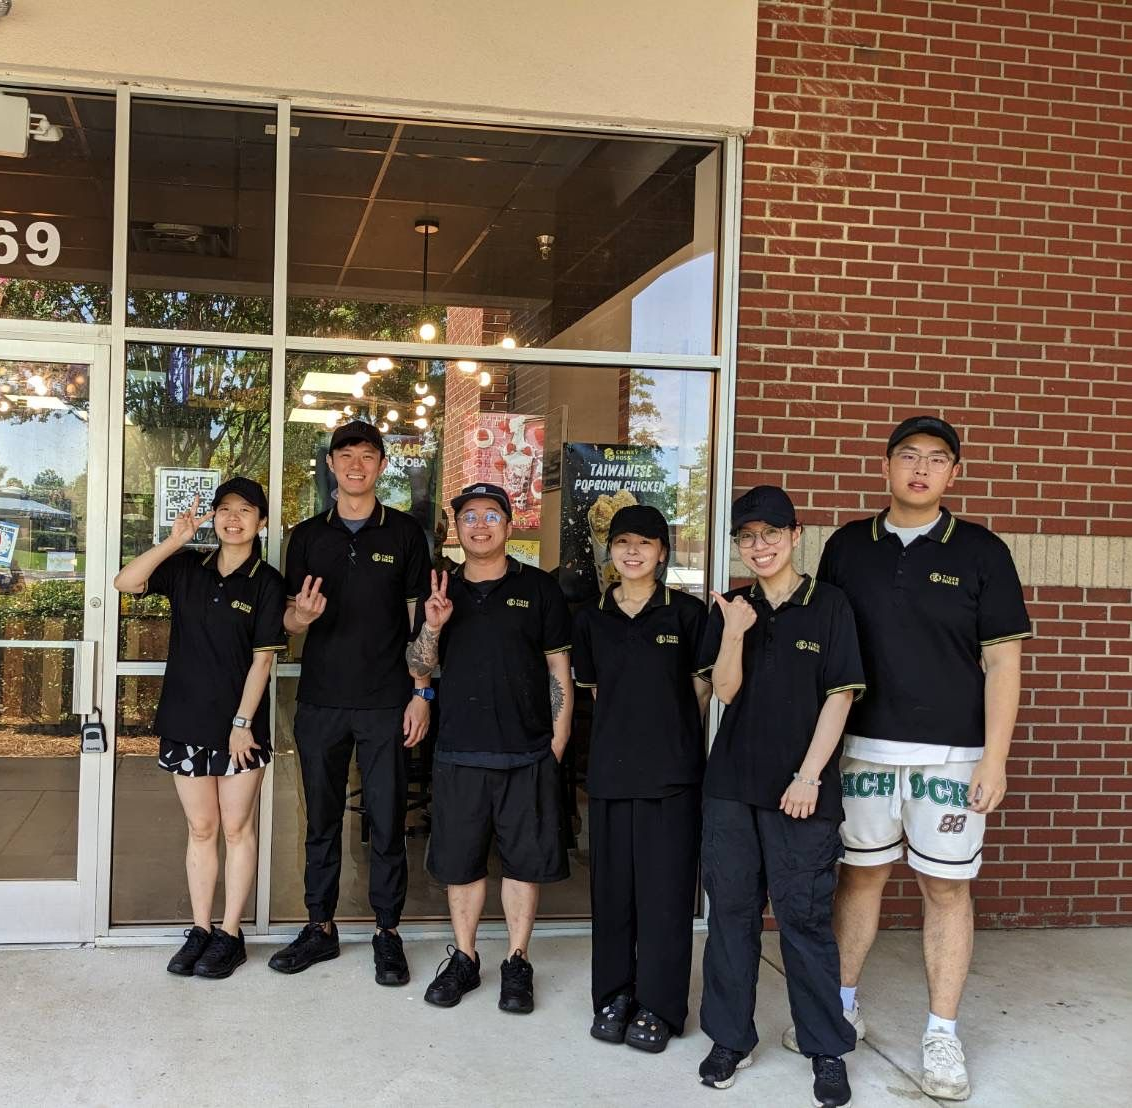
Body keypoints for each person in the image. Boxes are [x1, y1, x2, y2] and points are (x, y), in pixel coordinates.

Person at [783, 416, 1030, 1101]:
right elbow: (820, 648)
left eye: (937, 459)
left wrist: (996, 759)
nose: (922, 469)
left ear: (955, 474)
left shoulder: (982, 552)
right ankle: (840, 1006)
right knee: (859, 880)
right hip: (859, 748)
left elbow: (1003, 662)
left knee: (945, 888)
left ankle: (942, 1035)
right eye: (909, 457)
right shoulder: (846, 548)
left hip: (952, 757)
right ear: (887, 467)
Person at [696, 486, 864, 1108]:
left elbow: (839, 698)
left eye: (771, 535)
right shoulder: (730, 607)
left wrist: (809, 776)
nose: (759, 547)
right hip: (732, 791)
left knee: (805, 921)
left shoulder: (831, 607)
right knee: (731, 919)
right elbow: (726, 695)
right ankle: (729, 1039)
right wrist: (734, 632)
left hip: (802, 795)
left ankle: (826, 1048)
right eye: (747, 538)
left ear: (796, 536)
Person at [269, 420, 432, 985]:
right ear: (332, 465)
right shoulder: (308, 535)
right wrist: (302, 618)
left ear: (382, 466)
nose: (356, 465)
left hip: (388, 700)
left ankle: (388, 930)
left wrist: (421, 692)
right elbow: (289, 620)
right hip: (321, 701)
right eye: (346, 455)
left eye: (368, 456)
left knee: (388, 819)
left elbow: (421, 624)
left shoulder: (407, 534)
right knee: (322, 818)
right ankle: (321, 927)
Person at [406, 482, 573, 1015]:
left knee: (523, 865)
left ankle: (517, 961)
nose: (480, 525)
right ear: (457, 527)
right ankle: (466, 958)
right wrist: (432, 625)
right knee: (462, 865)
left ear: (509, 523)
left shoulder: (540, 589)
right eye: (470, 516)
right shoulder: (440, 588)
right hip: (458, 750)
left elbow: (558, 669)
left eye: (491, 515)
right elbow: (418, 667)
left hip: (526, 753)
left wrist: (558, 739)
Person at [113, 476, 285, 979]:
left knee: (236, 829)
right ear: (215, 516)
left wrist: (241, 723)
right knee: (201, 828)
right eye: (225, 509)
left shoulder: (267, 582)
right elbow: (125, 582)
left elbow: (261, 663)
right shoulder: (187, 567)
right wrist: (174, 540)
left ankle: (230, 933)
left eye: (246, 510)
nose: (234, 519)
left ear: (262, 521)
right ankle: (201, 928)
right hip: (185, 720)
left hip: (239, 731)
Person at [571, 505, 710, 1053]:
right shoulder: (591, 618)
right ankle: (613, 995)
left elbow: (700, 693)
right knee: (612, 895)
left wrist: (670, 738)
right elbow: (598, 692)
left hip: (672, 776)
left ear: (662, 552)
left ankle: (659, 1006)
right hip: (609, 773)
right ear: (610, 549)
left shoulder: (688, 615)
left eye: (645, 543)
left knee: (665, 896)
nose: (632, 552)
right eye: (622, 541)